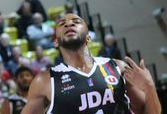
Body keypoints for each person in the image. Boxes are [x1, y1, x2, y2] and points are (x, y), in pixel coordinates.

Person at [22, 13, 161, 113]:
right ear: (56, 42)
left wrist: (149, 86)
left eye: (76, 21)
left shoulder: (117, 67)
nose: (69, 23)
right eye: (62, 24)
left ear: (89, 37)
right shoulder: (44, 81)